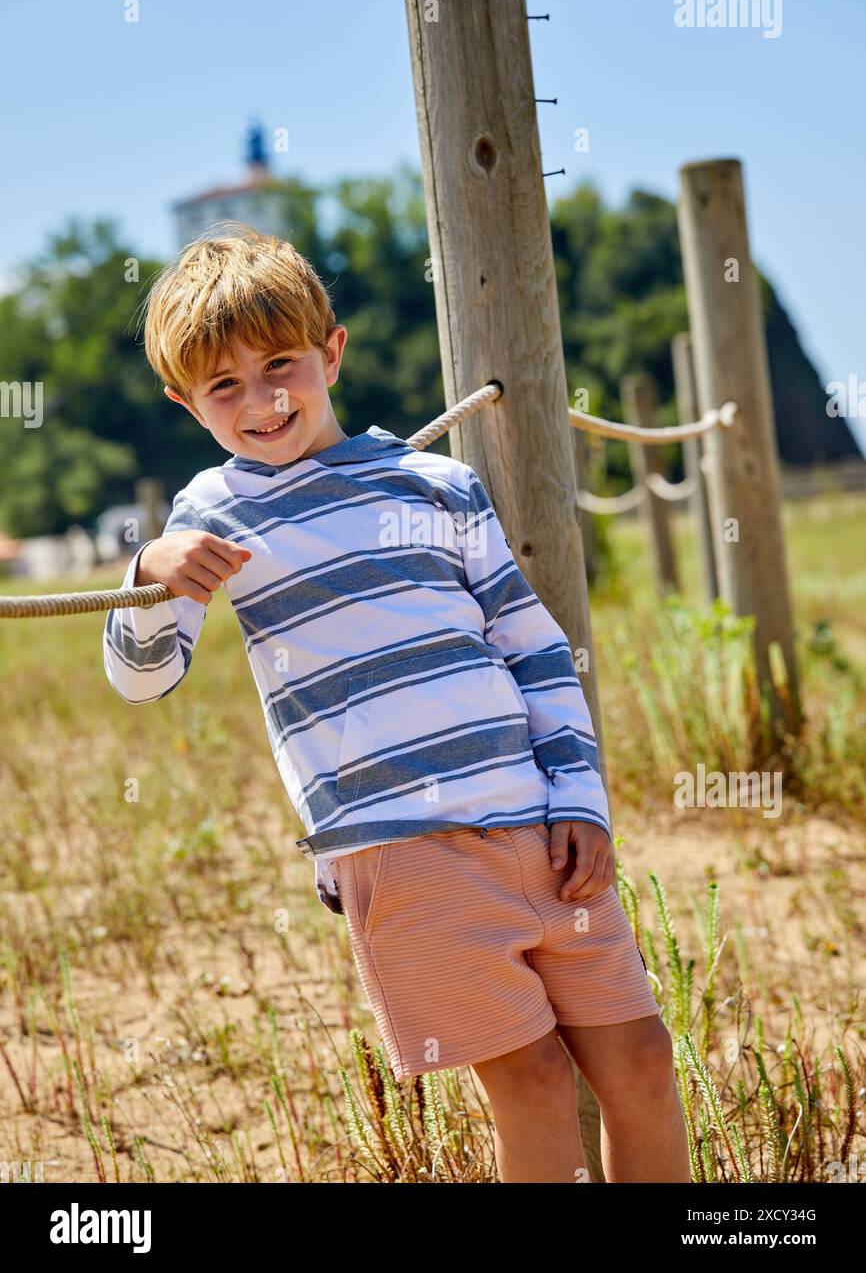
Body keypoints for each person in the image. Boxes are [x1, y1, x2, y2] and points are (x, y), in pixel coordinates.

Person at [103, 222, 689, 1183]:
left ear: (331, 351)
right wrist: (151, 571)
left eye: (281, 364)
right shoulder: (210, 514)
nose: (262, 400)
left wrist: (581, 802)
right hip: (401, 849)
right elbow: (142, 680)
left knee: (643, 1059)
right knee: (534, 1082)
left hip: (542, 828)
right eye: (224, 386)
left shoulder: (439, 485)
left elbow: (535, 651)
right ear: (184, 402)